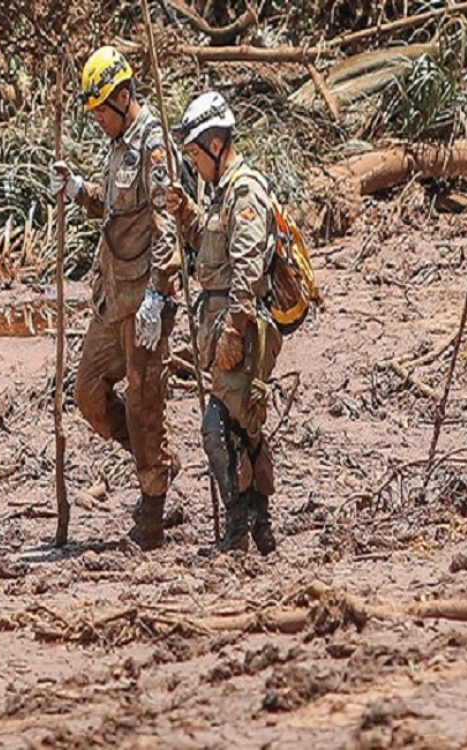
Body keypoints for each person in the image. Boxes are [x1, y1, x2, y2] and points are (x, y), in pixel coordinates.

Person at [48, 46, 180, 549]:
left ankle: (152, 506)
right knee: (86, 393)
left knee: (146, 402)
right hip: (111, 296)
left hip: (145, 299)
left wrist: (157, 294)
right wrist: (78, 189)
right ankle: (156, 457)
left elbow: (166, 225)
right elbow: (114, 210)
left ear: (125, 97)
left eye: (102, 109)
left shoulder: (154, 146)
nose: (98, 118)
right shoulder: (117, 142)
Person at [166, 91, 281, 554]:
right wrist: (187, 215)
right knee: (242, 427)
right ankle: (259, 529)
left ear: (216, 146)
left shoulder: (244, 189)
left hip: (242, 326)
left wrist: (234, 331)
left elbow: (248, 269)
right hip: (219, 323)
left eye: (194, 153)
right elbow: (213, 251)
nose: (192, 163)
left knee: (220, 427)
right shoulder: (218, 194)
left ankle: (239, 530)